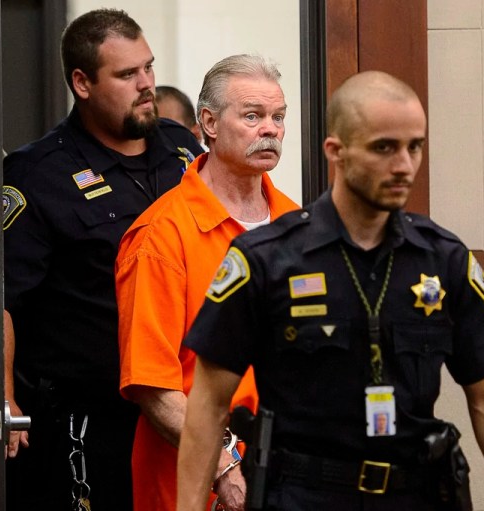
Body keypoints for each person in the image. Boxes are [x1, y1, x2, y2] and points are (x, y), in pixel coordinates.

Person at [177, 71, 484, 510]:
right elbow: (209, 405)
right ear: (337, 152)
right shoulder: (267, 260)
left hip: (415, 494)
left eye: (414, 147)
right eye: (384, 147)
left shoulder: (442, 259)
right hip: (305, 496)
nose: (403, 164)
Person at [2, 8, 204, 511]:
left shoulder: (182, 149)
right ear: (82, 82)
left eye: (149, 68)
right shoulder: (37, 172)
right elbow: (1, 298)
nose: (146, 85)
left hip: (181, 403)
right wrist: (3, 397)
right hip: (90, 413)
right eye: (127, 74)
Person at [116, 54, 299, 511]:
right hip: (198, 482)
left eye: (278, 117)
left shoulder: (298, 225)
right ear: (209, 124)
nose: (271, 130)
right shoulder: (163, 233)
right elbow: (152, 386)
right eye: (253, 116)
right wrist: (224, 465)